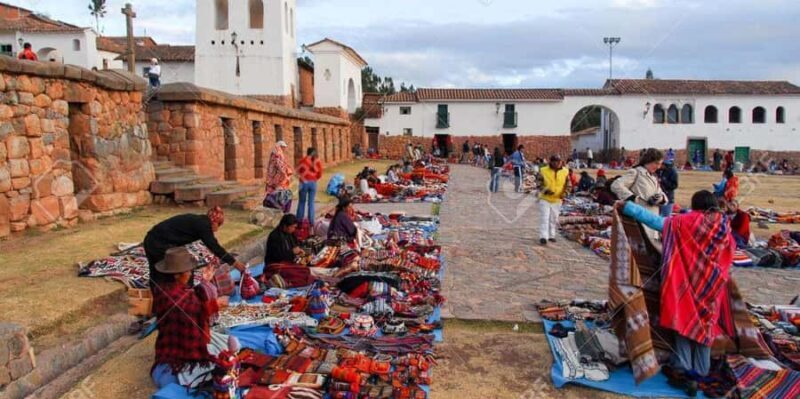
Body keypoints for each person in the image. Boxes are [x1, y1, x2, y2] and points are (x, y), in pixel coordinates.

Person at [619, 190, 735, 393]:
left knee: (683, 322)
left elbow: (656, 222)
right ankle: (702, 369)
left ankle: (682, 368)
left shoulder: (684, 222)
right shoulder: (723, 226)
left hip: (686, 286)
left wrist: (627, 207)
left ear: (695, 204)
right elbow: (729, 251)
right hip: (712, 287)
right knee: (705, 328)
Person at [150, 247, 232, 389]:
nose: (190, 274)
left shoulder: (172, 288)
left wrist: (205, 282)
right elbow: (192, 310)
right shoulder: (169, 293)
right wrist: (215, 304)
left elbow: (192, 299)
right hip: (180, 349)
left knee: (230, 344)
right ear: (176, 274)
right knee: (216, 366)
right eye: (187, 271)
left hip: (190, 339)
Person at [144, 207, 246, 288]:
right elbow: (214, 246)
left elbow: (210, 245)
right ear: (214, 222)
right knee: (175, 271)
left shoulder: (199, 221)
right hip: (158, 244)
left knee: (157, 274)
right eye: (219, 225)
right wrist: (235, 263)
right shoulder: (204, 225)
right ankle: (183, 297)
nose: (217, 229)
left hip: (151, 239)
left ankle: (159, 303)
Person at [611, 148, 667, 237]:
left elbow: (661, 193)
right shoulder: (636, 172)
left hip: (652, 220)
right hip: (639, 221)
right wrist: (632, 198)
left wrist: (659, 198)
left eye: (660, 164)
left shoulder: (653, 177)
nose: (658, 167)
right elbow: (616, 185)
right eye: (656, 163)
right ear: (649, 160)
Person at [537, 155, 570, 245]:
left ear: (561, 162)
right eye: (554, 161)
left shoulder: (565, 171)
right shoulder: (543, 170)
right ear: (550, 161)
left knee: (554, 218)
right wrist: (546, 191)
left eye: (558, 161)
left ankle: (552, 235)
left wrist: (565, 194)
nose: (556, 163)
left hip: (557, 199)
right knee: (544, 217)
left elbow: (568, 185)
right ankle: (543, 236)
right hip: (545, 198)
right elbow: (539, 183)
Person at [264, 140, 293, 212]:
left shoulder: (276, 152)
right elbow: (279, 164)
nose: (284, 149)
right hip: (276, 176)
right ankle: (277, 206)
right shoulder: (277, 153)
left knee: (274, 191)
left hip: (274, 175)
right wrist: (285, 172)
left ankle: (273, 205)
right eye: (283, 147)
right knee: (278, 192)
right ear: (280, 146)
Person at [296, 147, 323, 224]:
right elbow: (320, 173)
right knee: (311, 203)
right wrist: (314, 178)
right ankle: (311, 222)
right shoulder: (317, 161)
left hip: (303, 183)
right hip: (313, 183)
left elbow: (298, 171)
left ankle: (299, 221)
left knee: (301, 202)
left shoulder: (302, 161)